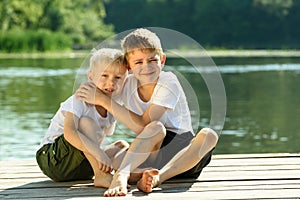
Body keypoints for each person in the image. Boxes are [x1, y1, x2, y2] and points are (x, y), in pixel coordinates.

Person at [76, 28, 218, 196]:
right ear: (128, 66)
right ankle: (130, 174)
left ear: (162, 60)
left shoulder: (168, 81)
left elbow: (144, 124)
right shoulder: (127, 84)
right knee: (117, 155)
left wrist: (103, 100)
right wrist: (92, 91)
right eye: (138, 62)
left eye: (152, 60)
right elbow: (103, 92)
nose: (147, 67)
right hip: (151, 152)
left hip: (182, 155)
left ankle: (156, 178)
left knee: (208, 135)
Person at [36, 48, 129, 189]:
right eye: (104, 76)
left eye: (118, 78)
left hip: (81, 167)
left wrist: (99, 156)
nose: (111, 83)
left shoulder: (111, 107)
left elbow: (99, 138)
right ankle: (101, 176)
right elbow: (69, 132)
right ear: (91, 77)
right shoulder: (79, 100)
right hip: (54, 160)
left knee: (122, 145)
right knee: (86, 123)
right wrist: (98, 154)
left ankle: (129, 174)